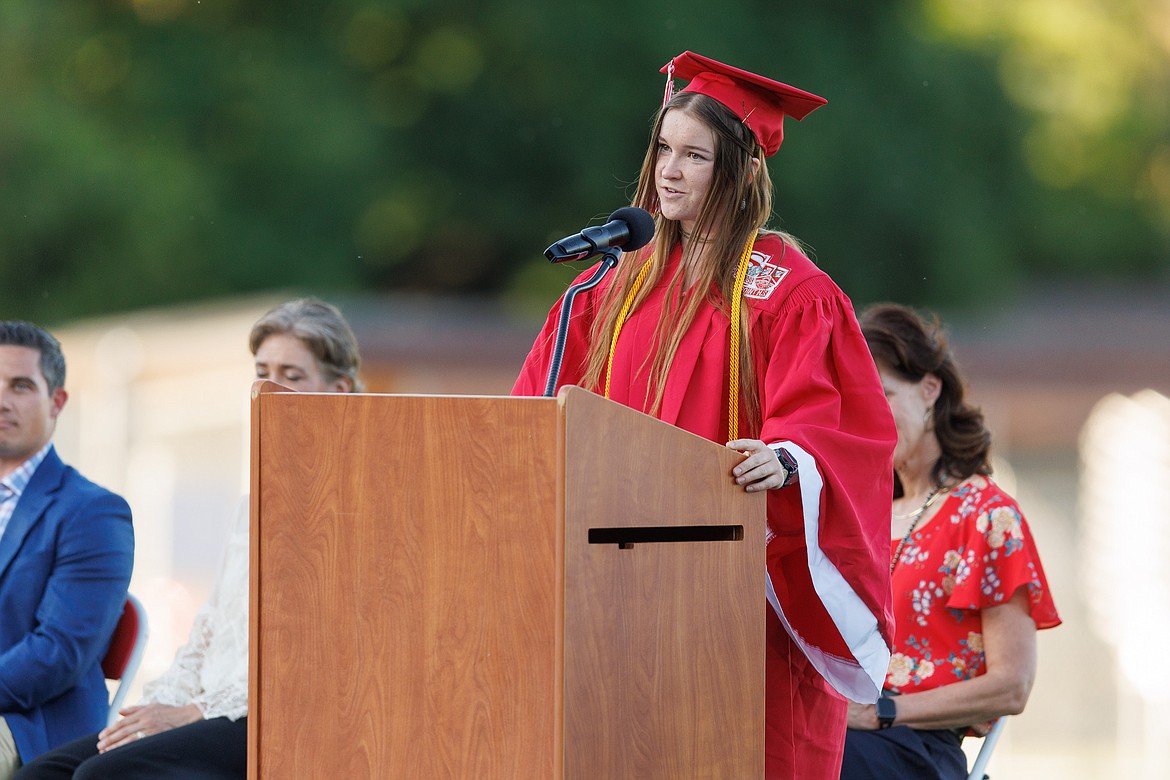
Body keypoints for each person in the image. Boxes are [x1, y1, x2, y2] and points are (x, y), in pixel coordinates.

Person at [513, 52, 898, 778]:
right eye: (664, 149)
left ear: (744, 171)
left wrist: (788, 460)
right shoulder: (611, 282)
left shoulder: (788, 290)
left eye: (695, 155)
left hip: (736, 599)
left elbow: (834, 427)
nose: (669, 171)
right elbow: (533, 410)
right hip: (614, 593)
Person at [15, 298, 363, 780]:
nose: (270, 387)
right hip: (206, 710)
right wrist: (158, 707)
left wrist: (192, 714)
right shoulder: (255, 500)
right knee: (41, 775)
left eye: (292, 374)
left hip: (279, 720)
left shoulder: (357, 505)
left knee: (102, 777)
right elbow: (211, 628)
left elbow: (319, 659)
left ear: (338, 390)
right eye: (261, 370)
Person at [840, 303, 1061, 780]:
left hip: (916, 747)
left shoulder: (986, 516)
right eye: (855, 402)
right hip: (843, 732)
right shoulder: (860, 515)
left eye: (884, 395)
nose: (869, 417)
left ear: (929, 389)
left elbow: (1012, 686)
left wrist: (883, 712)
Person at [0, 322, 135, 779]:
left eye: (20, 386)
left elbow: (57, 654)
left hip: (28, 726)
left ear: (57, 401)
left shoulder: (93, 513)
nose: (2, 400)